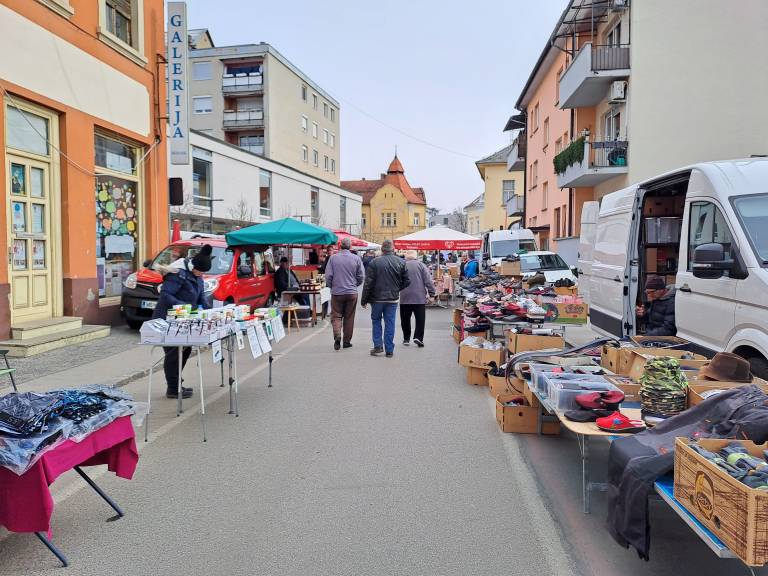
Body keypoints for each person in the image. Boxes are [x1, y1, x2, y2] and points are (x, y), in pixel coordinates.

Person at [152, 244, 213, 399]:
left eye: (203, 273)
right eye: (199, 271)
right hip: (167, 320)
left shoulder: (197, 277)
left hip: (184, 320)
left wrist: (209, 311)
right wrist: (184, 306)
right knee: (173, 353)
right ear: (193, 267)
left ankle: (176, 384)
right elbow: (165, 296)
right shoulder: (177, 274)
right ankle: (173, 389)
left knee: (184, 351)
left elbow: (201, 297)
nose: (201, 275)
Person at [361, 239, 410, 358]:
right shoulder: (401, 262)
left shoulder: (374, 262)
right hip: (392, 299)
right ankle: (389, 349)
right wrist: (396, 289)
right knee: (390, 323)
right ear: (393, 249)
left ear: (382, 249)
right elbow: (407, 281)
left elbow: (368, 283)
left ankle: (378, 346)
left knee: (376, 321)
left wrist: (364, 300)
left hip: (376, 298)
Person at [325, 237, 365, 350]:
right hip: (351, 292)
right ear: (350, 247)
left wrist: (332, 286)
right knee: (349, 317)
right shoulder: (356, 258)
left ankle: (337, 335)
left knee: (336, 315)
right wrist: (354, 284)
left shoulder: (333, 258)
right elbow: (361, 276)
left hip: (337, 292)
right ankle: (346, 341)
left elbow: (328, 276)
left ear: (340, 246)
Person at [400, 250, 435, 348]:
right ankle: (418, 337)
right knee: (420, 319)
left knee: (405, 319)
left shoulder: (401, 265)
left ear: (406, 257)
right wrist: (432, 294)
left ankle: (406, 338)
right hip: (419, 297)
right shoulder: (421, 265)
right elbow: (428, 281)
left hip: (405, 296)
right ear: (415, 256)